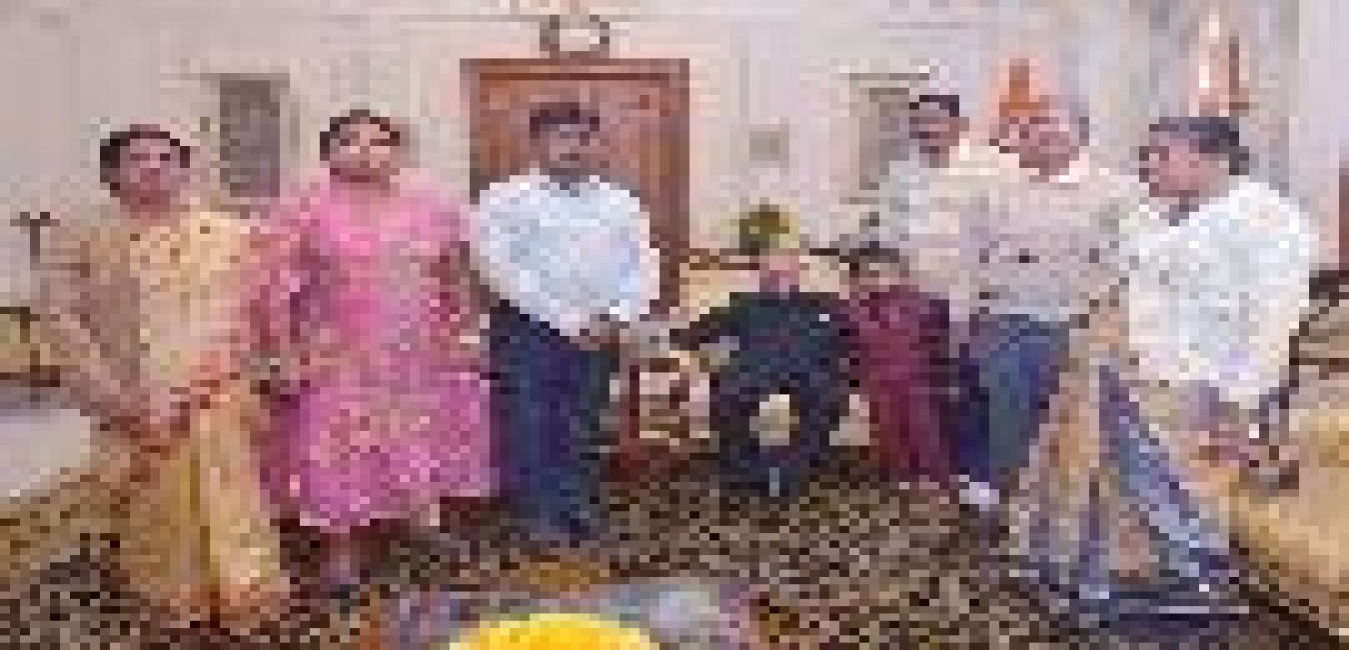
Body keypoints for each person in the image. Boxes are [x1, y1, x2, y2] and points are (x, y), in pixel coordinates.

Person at [1010, 115, 1315, 629]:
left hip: (1202, 390)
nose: (1147, 165)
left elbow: (1273, 322)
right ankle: (1128, 591)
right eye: (1145, 154)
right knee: (1127, 494)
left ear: (1213, 158)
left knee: (1182, 497)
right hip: (1137, 377)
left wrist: (1239, 403)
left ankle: (1194, 601)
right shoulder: (1161, 213)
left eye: (1161, 154)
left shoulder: (1268, 220)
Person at [36, 125, 289, 629]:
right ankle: (168, 590)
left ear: (184, 170)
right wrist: (108, 395)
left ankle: (246, 585)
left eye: (166, 158)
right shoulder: (78, 235)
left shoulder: (228, 233)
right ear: (111, 173)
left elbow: (257, 304)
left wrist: (252, 363)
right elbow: (61, 320)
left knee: (230, 492)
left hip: (216, 385)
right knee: (156, 498)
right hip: (134, 392)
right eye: (137, 159)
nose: (153, 167)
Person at [264, 110, 493, 599]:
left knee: (420, 437)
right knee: (335, 447)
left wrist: (468, 332)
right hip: (335, 353)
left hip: (418, 350)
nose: (365, 151)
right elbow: (275, 289)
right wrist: (282, 352)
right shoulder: (302, 208)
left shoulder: (432, 206)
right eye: (349, 141)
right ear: (327, 153)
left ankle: (421, 520)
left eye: (379, 142)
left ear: (398, 152)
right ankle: (340, 546)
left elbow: (455, 274)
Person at [474, 102, 660, 543]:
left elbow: (643, 265)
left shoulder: (621, 201)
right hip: (528, 328)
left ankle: (577, 501)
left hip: (601, 329)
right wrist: (571, 320)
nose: (573, 147)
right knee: (529, 421)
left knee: (583, 420)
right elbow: (499, 269)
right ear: (537, 143)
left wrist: (616, 316)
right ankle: (538, 510)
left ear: (596, 144)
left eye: (582, 138)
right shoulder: (504, 198)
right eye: (561, 137)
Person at [954, 98, 1143, 511]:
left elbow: (1131, 263)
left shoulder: (1119, 191)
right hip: (1006, 321)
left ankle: (1065, 510)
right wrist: (963, 317)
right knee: (1008, 415)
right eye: (1031, 127)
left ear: (1080, 135)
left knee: (1075, 422)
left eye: (1049, 126)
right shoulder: (993, 189)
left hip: (1080, 325)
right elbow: (969, 257)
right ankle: (1011, 499)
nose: (1037, 135)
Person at [670, 247, 852, 500]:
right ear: (760, 276)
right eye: (771, 272)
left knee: (830, 402)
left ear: (798, 273)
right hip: (754, 368)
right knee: (726, 400)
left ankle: (787, 472)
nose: (778, 277)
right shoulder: (743, 303)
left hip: (808, 369)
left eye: (785, 271)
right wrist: (677, 338)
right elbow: (697, 332)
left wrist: (842, 362)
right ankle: (753, 471)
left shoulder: (822, 303)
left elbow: (851, 336)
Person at [841, 244, 951, 482]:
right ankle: (901, 477)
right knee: (889, 431)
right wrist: (854, 380)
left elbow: (938, 343)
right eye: (870, 274)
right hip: (877, 380)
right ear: (858, 279)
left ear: (900, 274)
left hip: (917, 378)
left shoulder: (922, 304)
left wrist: (938, 374)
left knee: (924, 428)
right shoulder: (851, 309)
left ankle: (935, 476)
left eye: (885, 272)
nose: (878, 280)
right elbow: (848, 348)